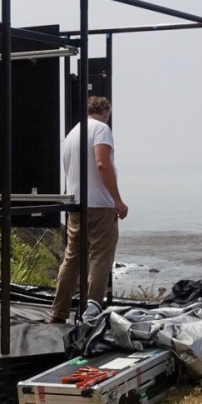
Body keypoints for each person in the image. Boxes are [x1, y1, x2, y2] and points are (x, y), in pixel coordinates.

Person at [50, 96, 128, 323]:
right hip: (100, 206)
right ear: (106, 112)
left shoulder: (72, 133)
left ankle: (59, 312)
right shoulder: (101, 129)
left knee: (72, 259)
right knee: (101, 259)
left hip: (76, 205)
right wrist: (118, 201)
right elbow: (102, 164)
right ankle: (91, 315)